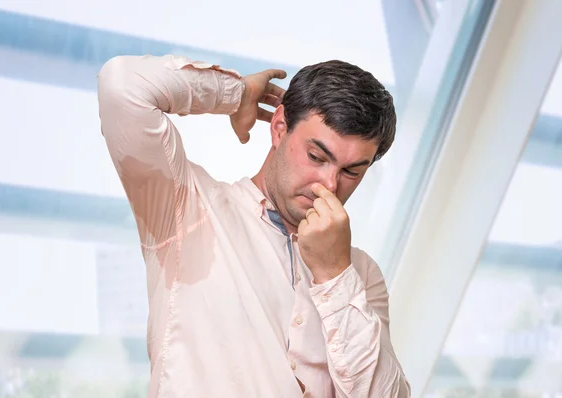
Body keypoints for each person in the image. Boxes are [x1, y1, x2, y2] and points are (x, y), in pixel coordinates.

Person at [97, 53, 410, 398]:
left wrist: (334, 276)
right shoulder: (188, 209)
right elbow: (122, 87)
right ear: (279, 128)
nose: (330, 185)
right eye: (316, 157)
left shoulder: (360, 275)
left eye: (352, 171)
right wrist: (235, 93)